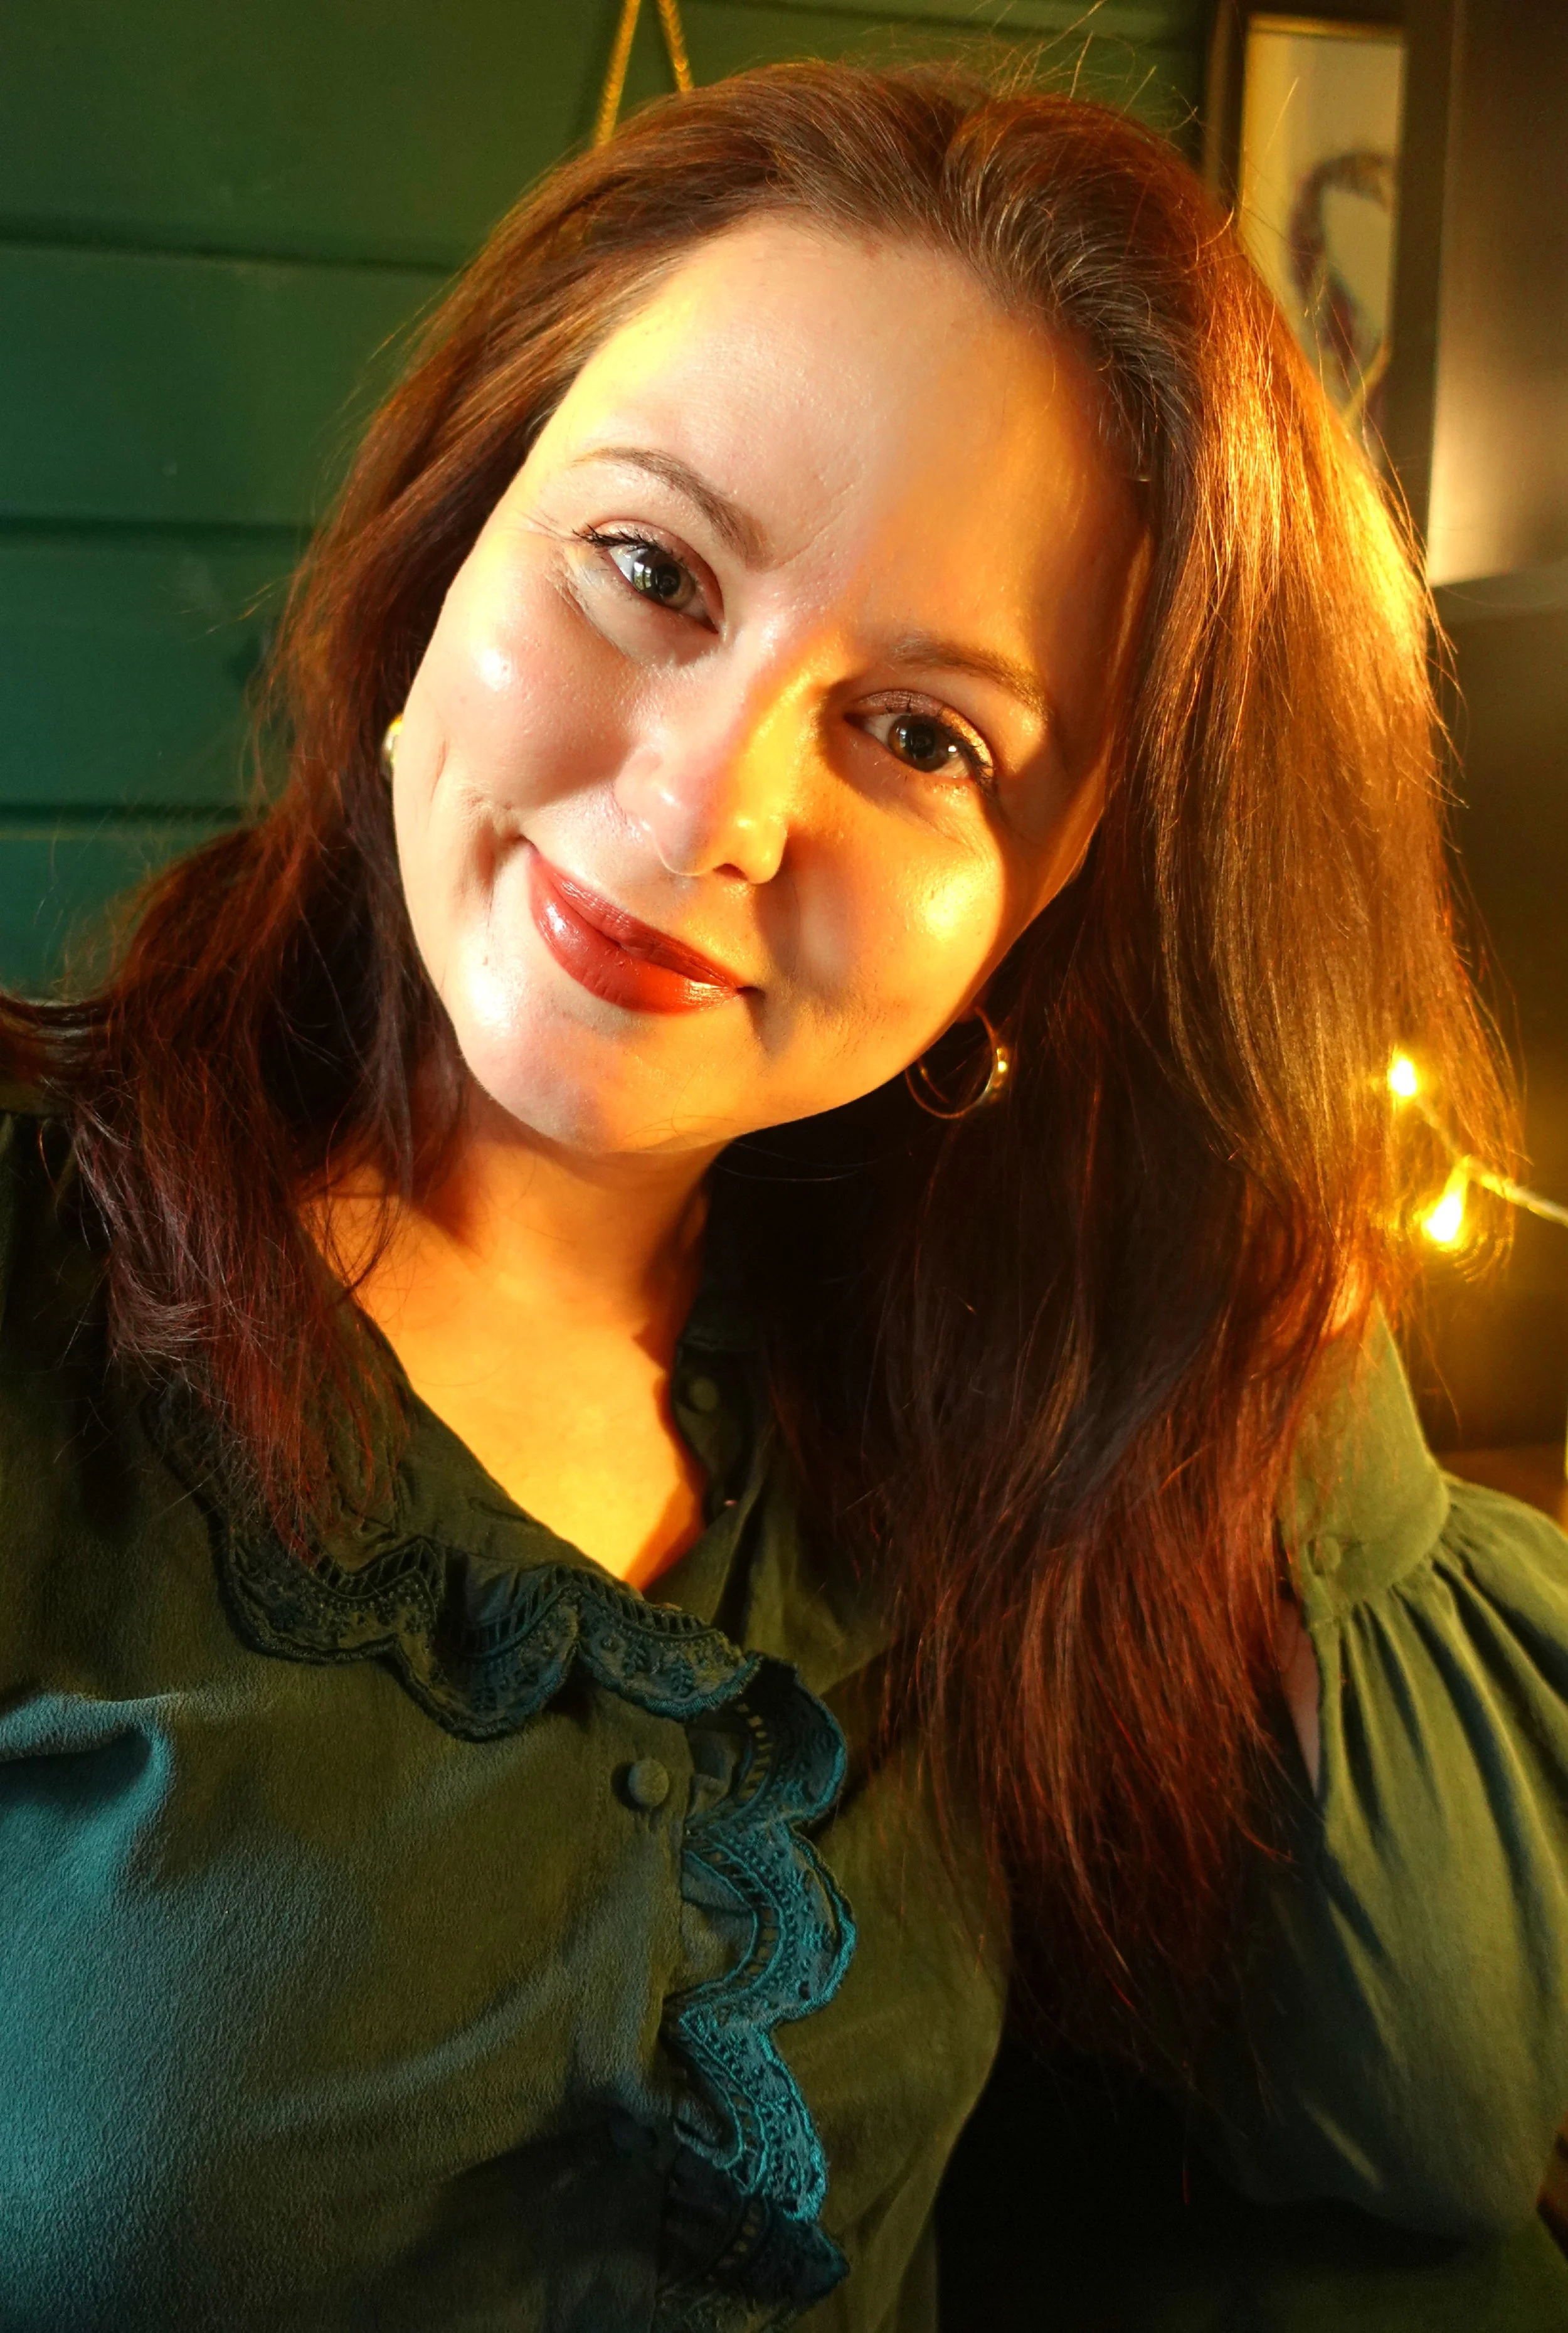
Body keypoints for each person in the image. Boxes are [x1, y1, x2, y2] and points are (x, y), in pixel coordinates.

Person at [1, 59, 1565, 2333]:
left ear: (1043, 909)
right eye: (649, 570)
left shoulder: (982, 1435)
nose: (700, 803)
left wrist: (1223, 1152)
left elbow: (1429, 2091)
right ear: (453, 540)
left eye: (927, 738)